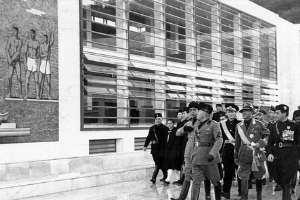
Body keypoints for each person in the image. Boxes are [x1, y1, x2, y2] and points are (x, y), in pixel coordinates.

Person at [235, 103, 270, 200]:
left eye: (246, 111)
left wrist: (261, 143)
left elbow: (267, 135)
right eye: (242, 111)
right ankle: (244, 196)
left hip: (256, 154)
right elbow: (237, 142)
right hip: (244, 154)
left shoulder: (259, 124)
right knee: (243, 176)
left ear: (251, 112)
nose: (244, 113)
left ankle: (259, 196)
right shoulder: (239, 126)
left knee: (258, 175)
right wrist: (235, 156)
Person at [189, 103, 223, 200]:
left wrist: (212, 154)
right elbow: (195, 142)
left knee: (215, 181)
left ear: (205, 112)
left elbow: (219, 140)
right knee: (195, 182)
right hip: (197, 157)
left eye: (198, 111)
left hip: (209, 158)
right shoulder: (197, 125)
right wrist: (191, 156)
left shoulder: (214, 125)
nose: (196, 113)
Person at [267, 104, 300, 200]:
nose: (275, 115)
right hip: (277, 156)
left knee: (286, 181)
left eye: (277, 113)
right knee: (280, 180)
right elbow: (270, 142)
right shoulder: (274, 126)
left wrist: (298, 157)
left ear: (284, 114)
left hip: (290, 157)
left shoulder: (294, 126)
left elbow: (298, 142)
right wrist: (270, 153)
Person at [171, 102, 198, 200]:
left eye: (195, 110)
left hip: (199, 152)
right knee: (187, 173)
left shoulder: (203, 122)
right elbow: (177, 133)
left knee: (198, 177)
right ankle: (181, 198)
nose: (192, 112)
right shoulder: (188, 122)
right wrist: (184, 129)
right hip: (188, 151)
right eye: (191, 110)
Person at [220, 103, 241, 199]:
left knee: (240, 171)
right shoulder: (222, 124)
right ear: (226, 113)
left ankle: (242, 191)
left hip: (239, 149)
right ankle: (226, 191)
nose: (231, 114)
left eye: (233, 112)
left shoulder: (240, 123)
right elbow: (220, 139)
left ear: (236, 113)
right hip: (227, 150)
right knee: (228, 172)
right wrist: (219, 152)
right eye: (229, 112)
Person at [143, 113, 168, 184]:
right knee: (159, 163)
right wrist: (145, 146)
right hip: (154, 149)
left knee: (157, 163)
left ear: (162, 119)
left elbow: (165, 140)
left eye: (159, 119)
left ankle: (153, 178)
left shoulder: (165, 128)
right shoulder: (152, 128)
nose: (158, 120)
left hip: (161, 149)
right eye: (156, 119)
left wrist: (164, 149)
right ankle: (165, 175)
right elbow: (148, 137)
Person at [162, 119, 182, 185]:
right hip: (168, 150)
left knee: (172, 165)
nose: (169, 125)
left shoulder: (176, 131)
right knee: (173, 166)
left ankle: (168, 179)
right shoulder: (166, 131)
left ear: (173, 124)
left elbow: (178, 141)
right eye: (168, 123)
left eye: (170, 123)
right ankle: (178, 178)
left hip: (174, 150)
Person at [5, 26, 23, 98]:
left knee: (19, 77)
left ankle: (20, 94)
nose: (14, 32)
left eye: (15, 31)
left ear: (17, 32)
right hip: (10, 61)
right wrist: (9, 59)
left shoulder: (20, 41)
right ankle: (9, 93)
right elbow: (6, 49)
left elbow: (18, 52)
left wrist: (12, 59)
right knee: (9, 77)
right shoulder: (10, 39)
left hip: (16, 60)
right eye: (13, 31)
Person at [174, 108, 189, 185]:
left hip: (186, 144)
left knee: (185, 163)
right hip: (180, 145)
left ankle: (183, 179)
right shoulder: (180, 123)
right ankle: (181, 179)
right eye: (181, 113)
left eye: (184, 113)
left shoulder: (187, 123)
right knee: (181, 163)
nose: (183, 115)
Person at [24, 29, 40, 100]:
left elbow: (39, 54)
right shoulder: (27, 41)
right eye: (30, 33)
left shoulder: (37, 42)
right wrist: (25, 63)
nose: (31, 35)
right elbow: (25, 53)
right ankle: (26, 95)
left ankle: (37, 95)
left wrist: (38, 64)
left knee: (36, 80)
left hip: (35, 61)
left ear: (34, 34)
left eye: (32, 33)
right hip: (29, 60)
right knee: (27, 78)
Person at [39, 31, 54, 100]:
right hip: (43, 62)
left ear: (47, 39)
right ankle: (39, 95)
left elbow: (52, 41)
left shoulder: (48, 45)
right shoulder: (41, 45)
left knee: (48, 81)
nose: (44, 39)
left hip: (47, 63)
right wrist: (45, 55)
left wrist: (52, 33)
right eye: (43, 38)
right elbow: (40, 55)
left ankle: (49, 95)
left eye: (45, 38)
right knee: (40, 80)